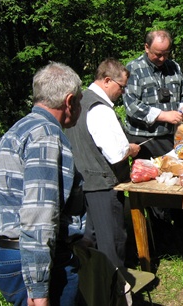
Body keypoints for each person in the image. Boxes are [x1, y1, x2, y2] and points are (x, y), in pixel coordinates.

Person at [0, 62, 86, 306]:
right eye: (80, 100)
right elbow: (39, 215)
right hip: (38, 261)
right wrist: (39, 286)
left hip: (9, 256)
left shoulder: (15, 131)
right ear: (69, 101)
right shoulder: (46, 136)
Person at [65, 58, 141, 281]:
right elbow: (115, 153)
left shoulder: (79, 102)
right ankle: (115, 292)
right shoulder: (99, 107)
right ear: (107, 80)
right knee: (112, 244)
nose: (123, 92)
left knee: (90, 239)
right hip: (102, 186)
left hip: (82, 183)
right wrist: (131, 149)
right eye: (121, 86)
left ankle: (92, 288)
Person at [123, 29, 183, 159]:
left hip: (172, 136)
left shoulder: (174, 67)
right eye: (158, 54)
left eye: (166, 54)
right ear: (147, 47)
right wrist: (163, 115)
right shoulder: (134, 68)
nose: (162, 58)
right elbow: (132, 106)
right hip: (145, 139)